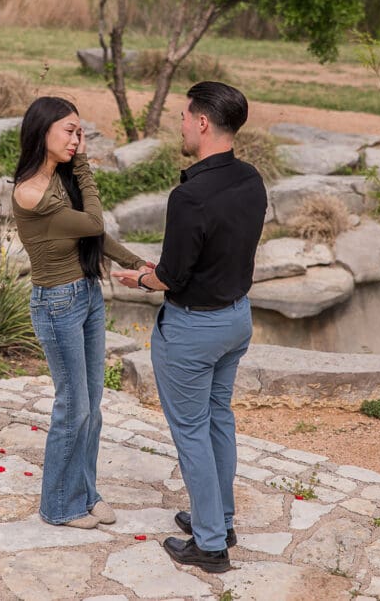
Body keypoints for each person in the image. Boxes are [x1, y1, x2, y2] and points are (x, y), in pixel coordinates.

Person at [113, 82, 267, 572]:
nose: (179, 123)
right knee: (218, 417)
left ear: (202, 123)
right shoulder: (252, 180)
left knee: (192, 432)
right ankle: (219, 518)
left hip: (193, 330)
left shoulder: (190, 196)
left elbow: (171, 277)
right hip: (236, 320)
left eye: (183, 116)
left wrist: (138, 276)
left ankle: (210, 545)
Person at [13, 96, 150, 529]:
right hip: (57, 303)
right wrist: (86, 165)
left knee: (92, 404)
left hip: (86, 295)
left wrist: (136, 264)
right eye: (70, 131)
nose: (77, 140)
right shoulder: (31, 191)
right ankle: (58, 505)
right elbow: (92, 224)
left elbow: (95, 237)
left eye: (80, 133)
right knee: (73, 406)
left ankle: (85, 494)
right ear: (43, 131)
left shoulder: (60, 178)